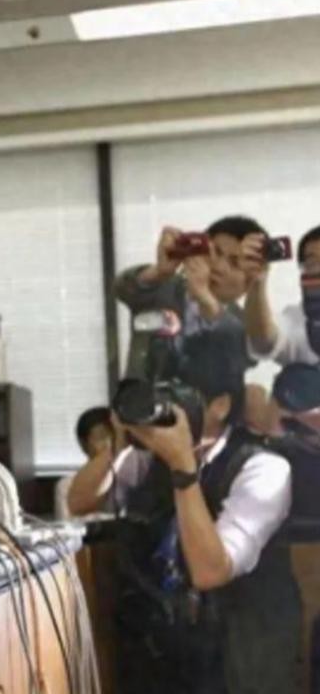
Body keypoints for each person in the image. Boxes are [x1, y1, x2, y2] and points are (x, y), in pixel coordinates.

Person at [66, 377, 301, 693]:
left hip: (237, 653)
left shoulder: (263, 467)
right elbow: (79, 502)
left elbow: (210, 571)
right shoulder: (149, 458)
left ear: (221, 405)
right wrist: (119, 444)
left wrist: (182, 465)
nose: (169, 408)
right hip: (163, 644)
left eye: (181, 396)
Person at [116, 217, 265, 383]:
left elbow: (244, 353)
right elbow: (122, 288)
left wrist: (206, 300)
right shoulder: (164, 289)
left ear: (249, 282)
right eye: (215, 252)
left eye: (234, 263)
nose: (219, 267)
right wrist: (158, 272)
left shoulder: (246, 325)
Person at [244, 224, 320, 367]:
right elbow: (264, 341)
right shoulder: (298, 321)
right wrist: (257, 281)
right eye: (313, 263)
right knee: (297, 376)